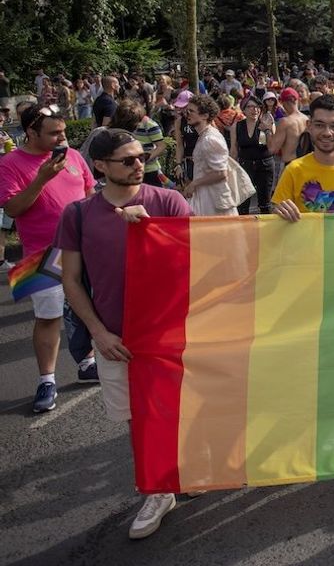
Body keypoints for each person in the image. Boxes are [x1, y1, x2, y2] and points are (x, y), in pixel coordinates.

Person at [57, 128, 192, 539]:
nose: (140, 165)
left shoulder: (168, 201)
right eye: (129, 160)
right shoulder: (78, 214)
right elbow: (72, 280)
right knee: (137, 417)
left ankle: (181, 473)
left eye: (142, 156)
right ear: (100, 166)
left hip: (171, 333)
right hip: (117, 339)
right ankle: (157, 489)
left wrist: (152, 231)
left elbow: (201, 258)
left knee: (181, 407)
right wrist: (98, 333)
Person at [0, 106, 97, 411]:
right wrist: (41, 179)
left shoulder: (72, 156)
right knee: (49, 317)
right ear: (30, 132)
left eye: (63, 131)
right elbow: (13, 209)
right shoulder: (10, 163)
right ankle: (47, 381)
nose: (62, 138)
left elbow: (90, 193)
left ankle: (87, 363)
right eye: (54, 133)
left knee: (88, 309)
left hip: (83, 247)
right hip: (42, 253)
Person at [182, 95, 236, 216]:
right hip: (206, 198)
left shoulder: (210, 139)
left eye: (191, 111)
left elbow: (221, 173)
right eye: (187, 110)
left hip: (215, 202)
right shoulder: (205, 136)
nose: (187, 114)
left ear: (205, 116)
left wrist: (194, 184)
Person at [230, 97, 275, 214]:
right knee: (243, 203)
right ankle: (242, 229)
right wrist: (230, 168)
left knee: (265, 203)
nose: (254, 110)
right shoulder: (237, 126)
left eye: (257, 107)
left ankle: (266, 230)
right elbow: (234, 149)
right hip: (245, 165)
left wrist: (267, 130)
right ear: (243, 110)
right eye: (250, 107)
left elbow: (272, 147)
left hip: (265, 165)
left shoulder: (267, 123)